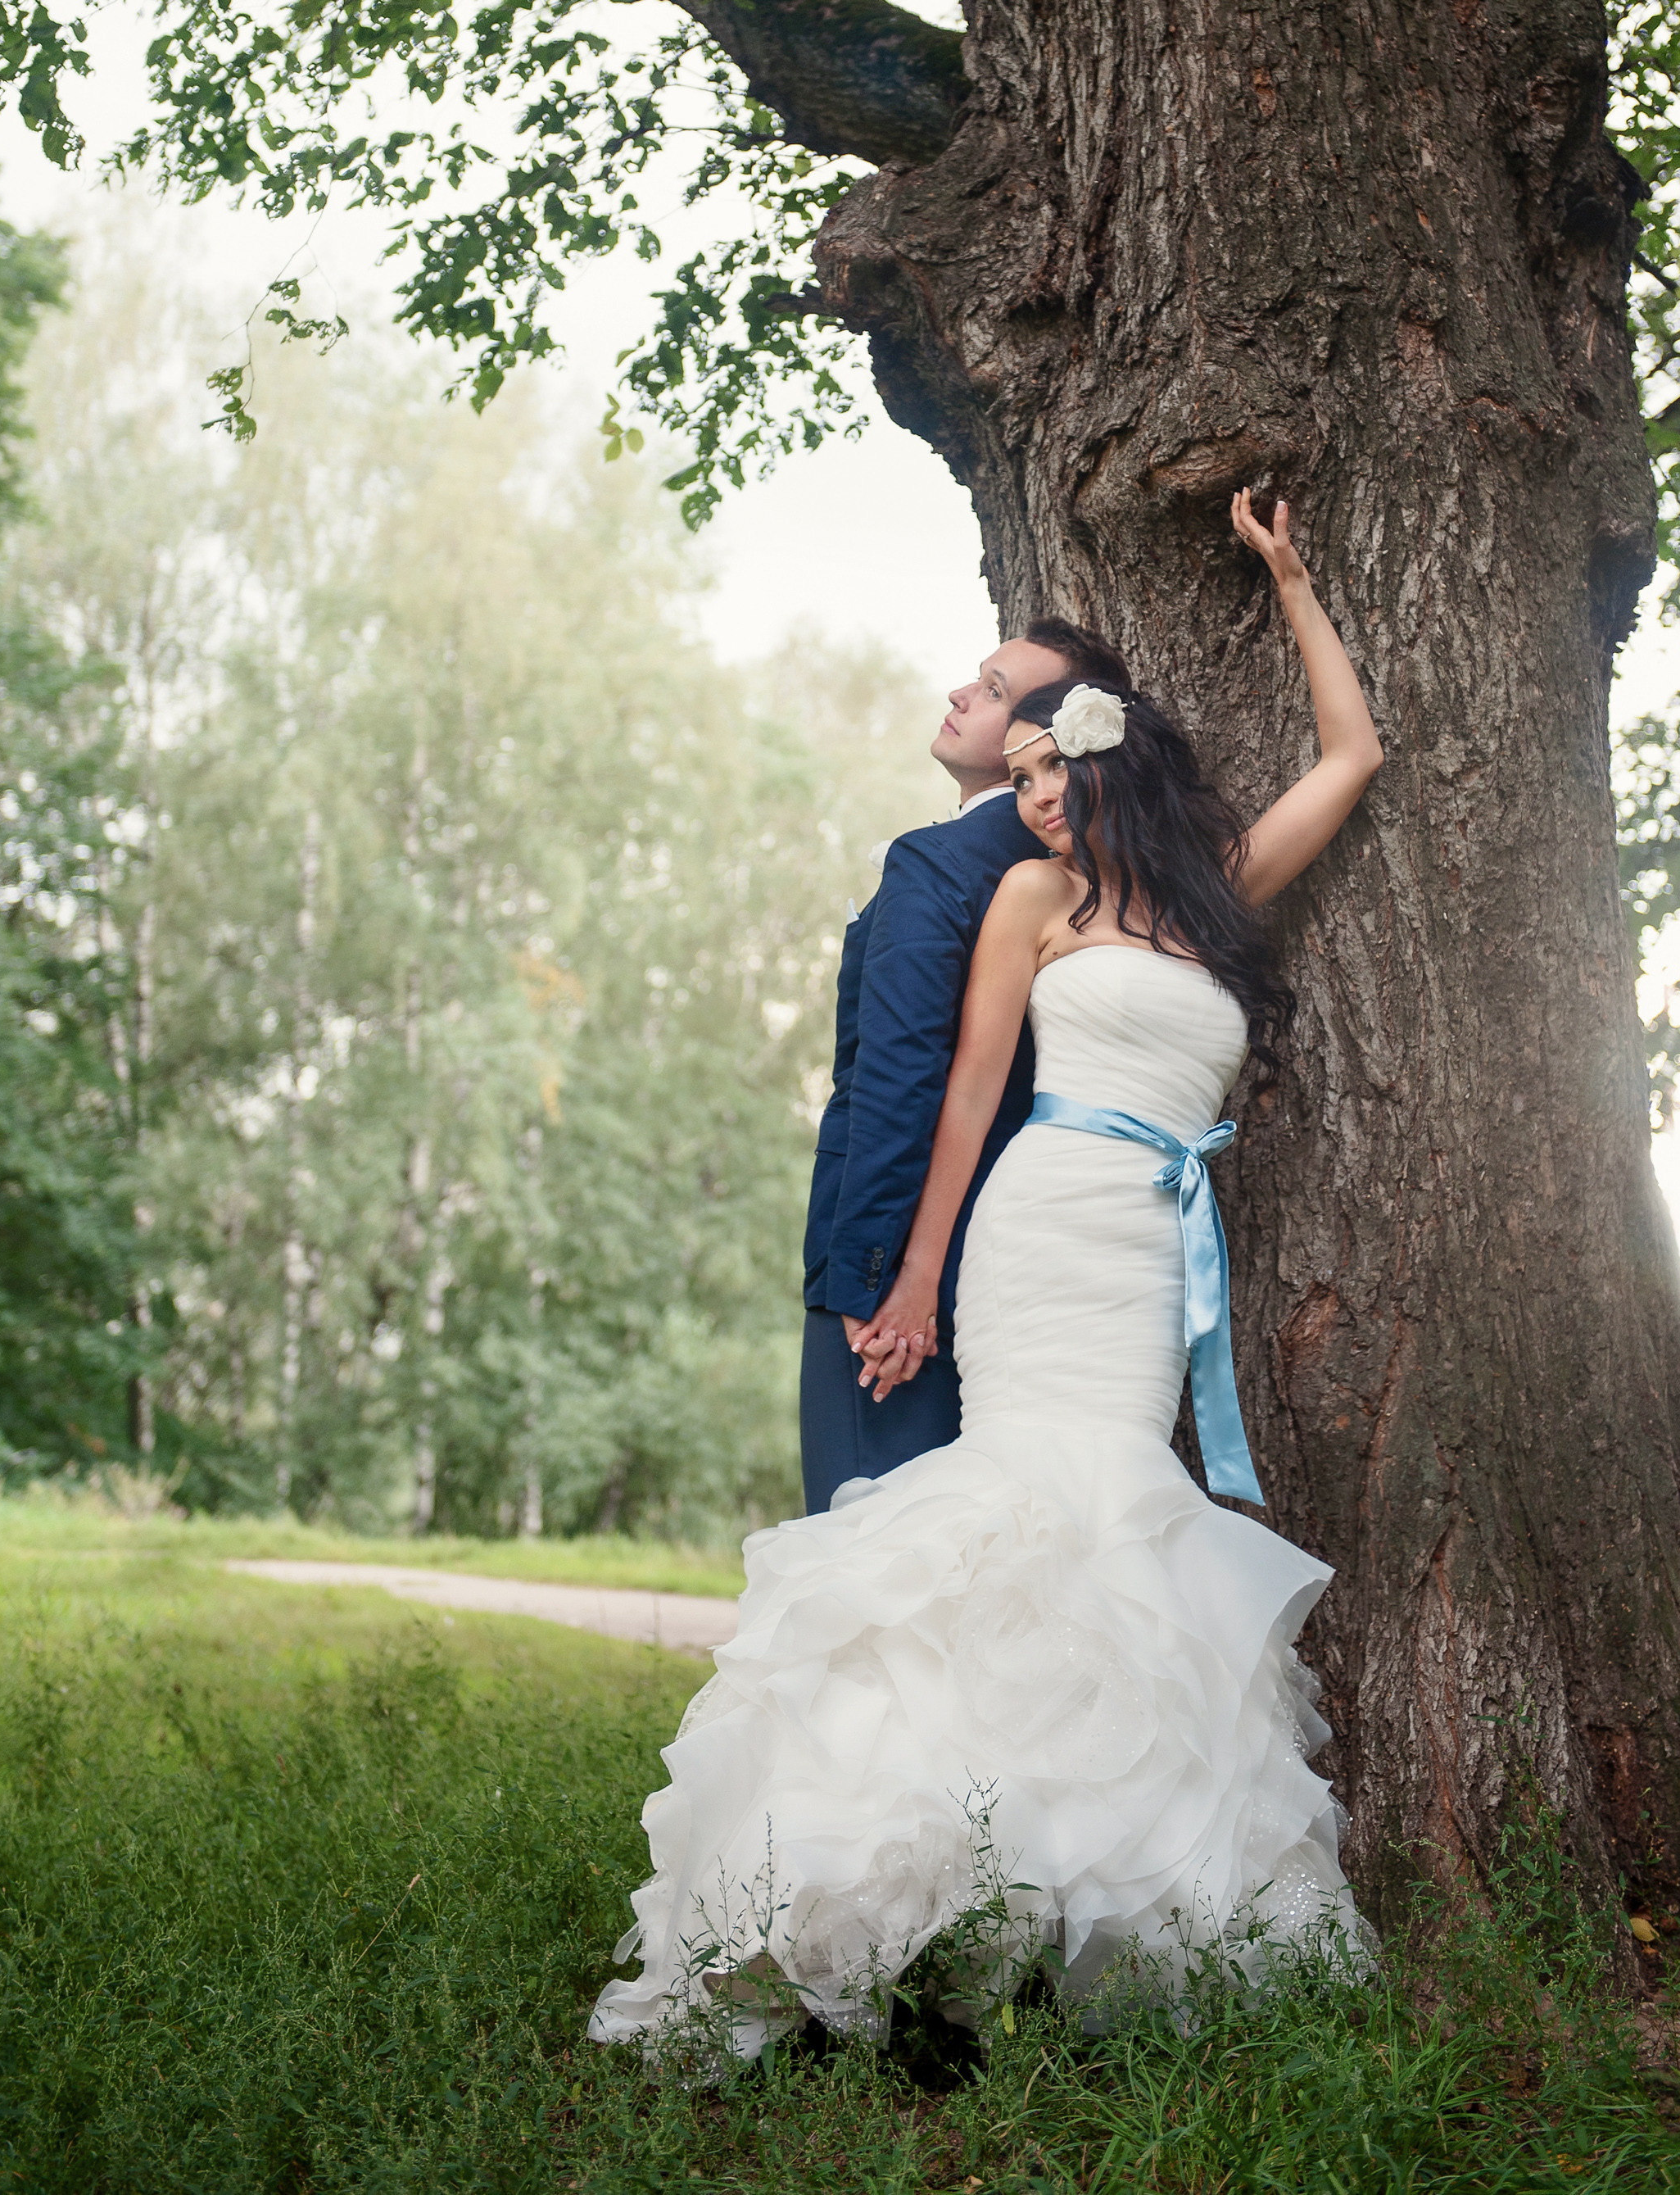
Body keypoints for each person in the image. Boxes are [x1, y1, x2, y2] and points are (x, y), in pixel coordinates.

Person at [591, 494, 1383, 2057]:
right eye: (1013, 775)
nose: (1021, 799)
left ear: (1103, 764)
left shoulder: (1217, 890)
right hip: (1033, 1232)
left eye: (1041, 771)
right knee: (1012, 1516)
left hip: (1150, 1256)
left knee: (1115, 1538)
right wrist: (911, 1287)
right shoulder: (1035, 900)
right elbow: (965, 1107)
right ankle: (881, 1878)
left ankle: (1066, 1898)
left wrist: (1292, 577)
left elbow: (1351, 755)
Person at [799, 614, 1131, 1515]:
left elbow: (897, 1083)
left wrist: (872, 1278)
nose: (959, 694)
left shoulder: (940, 865)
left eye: (992, 691)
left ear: (1052, 738)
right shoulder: (1099, 880)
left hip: (898, 1269)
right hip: (1029, 1262)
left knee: (866, 1549)